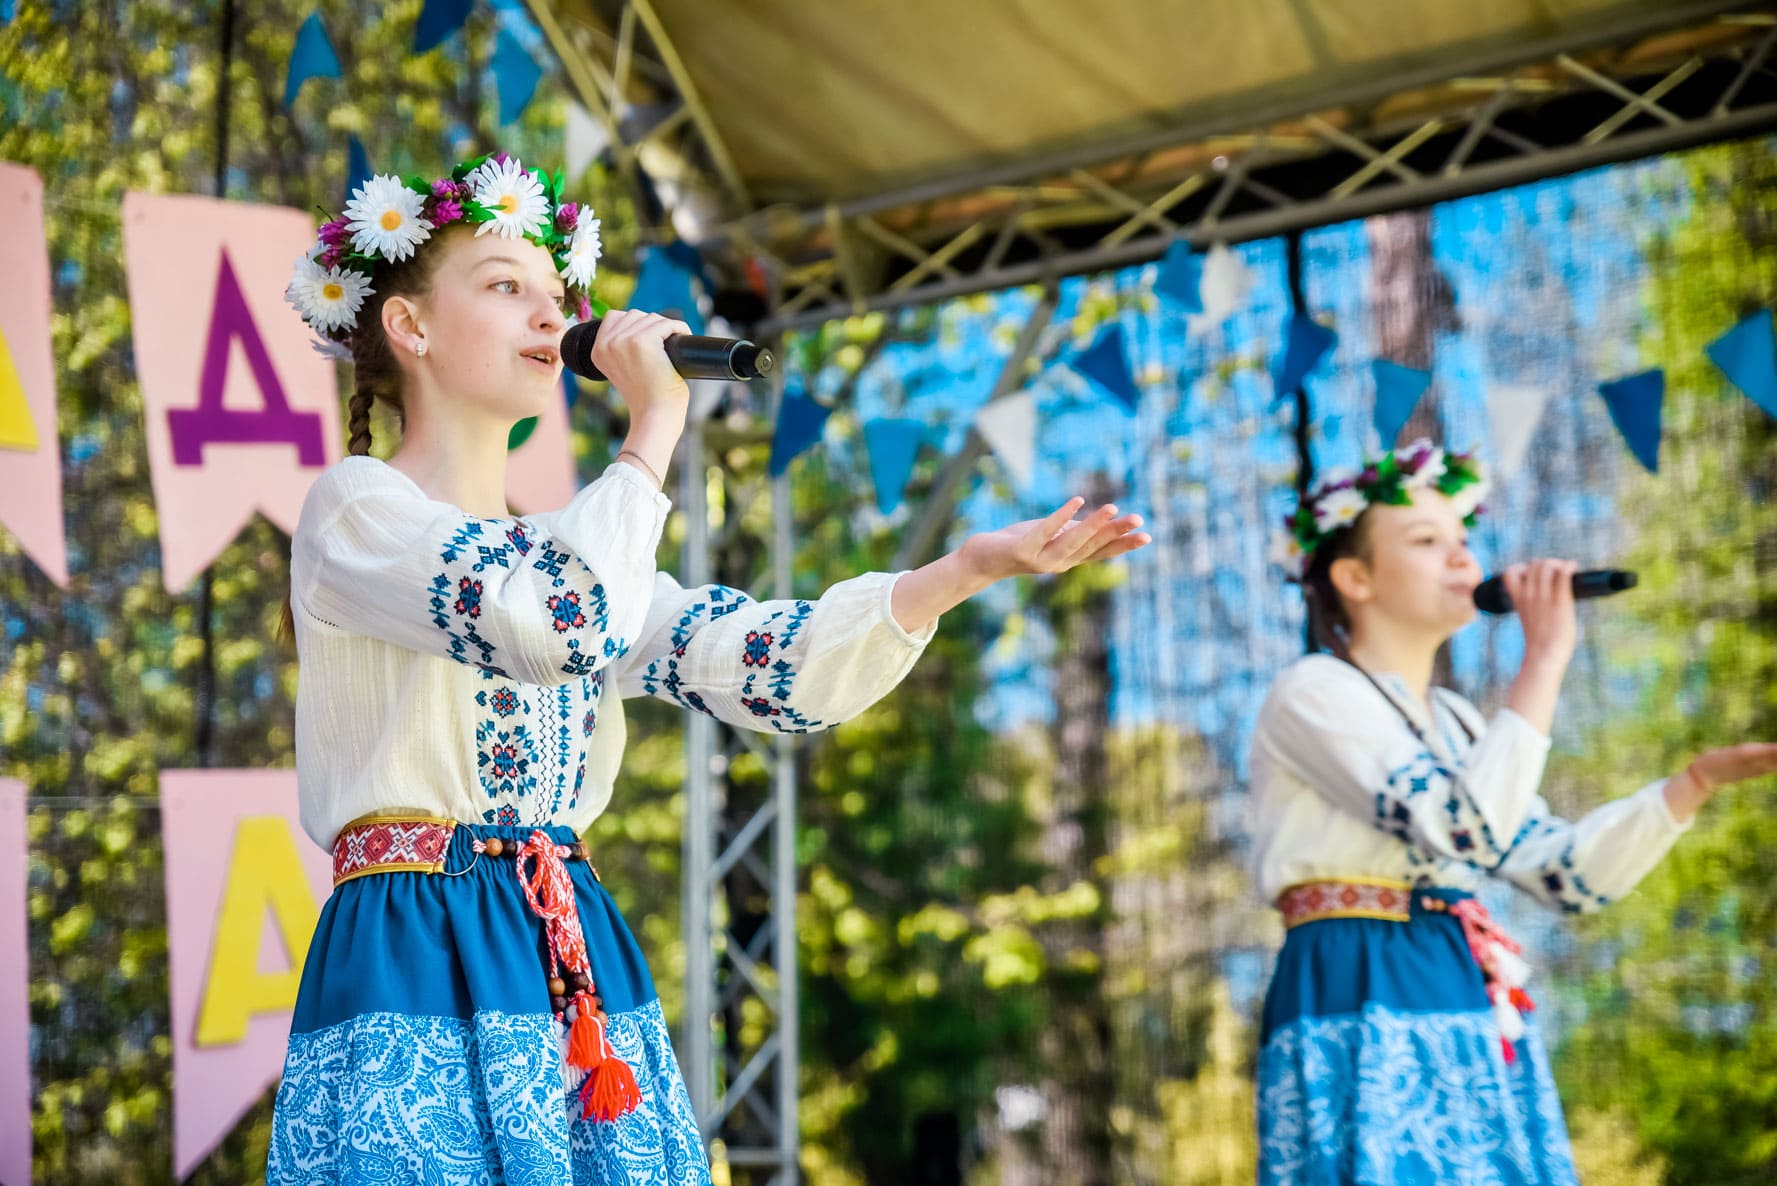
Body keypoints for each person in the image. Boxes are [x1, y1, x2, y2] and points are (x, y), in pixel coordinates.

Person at [265, 152, 1149, 1183]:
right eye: (506, 286)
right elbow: (555, 622)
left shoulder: (573, 549)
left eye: (557, 293)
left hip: (563, 948)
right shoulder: (355, 509)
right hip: (417, 940)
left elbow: (775, 670)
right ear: (409, 327)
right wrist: (654, 426)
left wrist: (962, 570)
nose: (552, 315)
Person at [1249, 439, 1777, 1185]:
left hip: (1456, 974)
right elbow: (1462, 827)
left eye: (1463, 539)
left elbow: (1566, 875)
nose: (1461, 557)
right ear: (1353, 578)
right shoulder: (1313, 690)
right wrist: (1544, 659)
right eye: (1425, 541)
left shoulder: (1458, 722)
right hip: (1356, 974)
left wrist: (1693, 784)